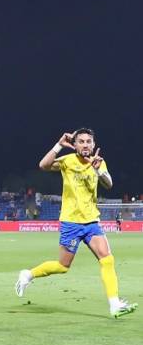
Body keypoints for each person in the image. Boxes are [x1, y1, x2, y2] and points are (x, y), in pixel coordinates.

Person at [15, 129, 137, 318]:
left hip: (91, 222)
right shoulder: (68, 160)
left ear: (93, 144)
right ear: (75, 144)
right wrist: (58, 145)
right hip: (71, 222)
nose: (86, 144)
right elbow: (44, 165)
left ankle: (114, 304)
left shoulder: (99, 162)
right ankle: (28, 275)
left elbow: (109, 183)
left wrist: (97, 169)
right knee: (63, 266)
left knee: (107, 259)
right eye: (81, 141)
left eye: (89, 141)